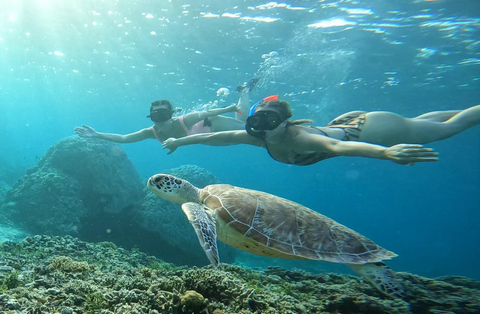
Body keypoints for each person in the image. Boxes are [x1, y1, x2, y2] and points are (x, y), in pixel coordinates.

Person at [162, 96, 480, 165]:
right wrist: (179, 140)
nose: (262, 129)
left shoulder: (299, 137)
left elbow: (339, 149)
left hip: (371, 129)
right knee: (422, 123)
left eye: (270, 122)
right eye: (256, 122)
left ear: (285, 123)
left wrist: (387, 152)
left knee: (449, 129)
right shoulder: (257, 137)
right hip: (348, 122)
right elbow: (215, 136)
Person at [74, 78, 258, 144]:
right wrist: (97, 134)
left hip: (212, 123)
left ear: (172, 115)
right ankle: (243, 93)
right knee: (241, 137)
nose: (161, 119)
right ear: (151, 117)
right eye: (156, 116)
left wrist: (229, 108)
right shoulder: (151, 132)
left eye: (164, 114)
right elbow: (124, 138)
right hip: (206, 138)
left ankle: (244, 91)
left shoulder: (184, 120)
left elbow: (206, 113)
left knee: (246, 127)